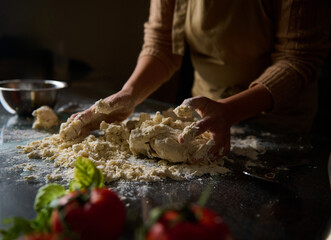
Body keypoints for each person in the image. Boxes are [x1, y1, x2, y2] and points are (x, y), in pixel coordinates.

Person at [64, 0, 330, 158]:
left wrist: (230, 110)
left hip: (278, 122)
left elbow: (298, 58)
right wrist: (130, 93)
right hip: (204, 114)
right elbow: (162, 45)